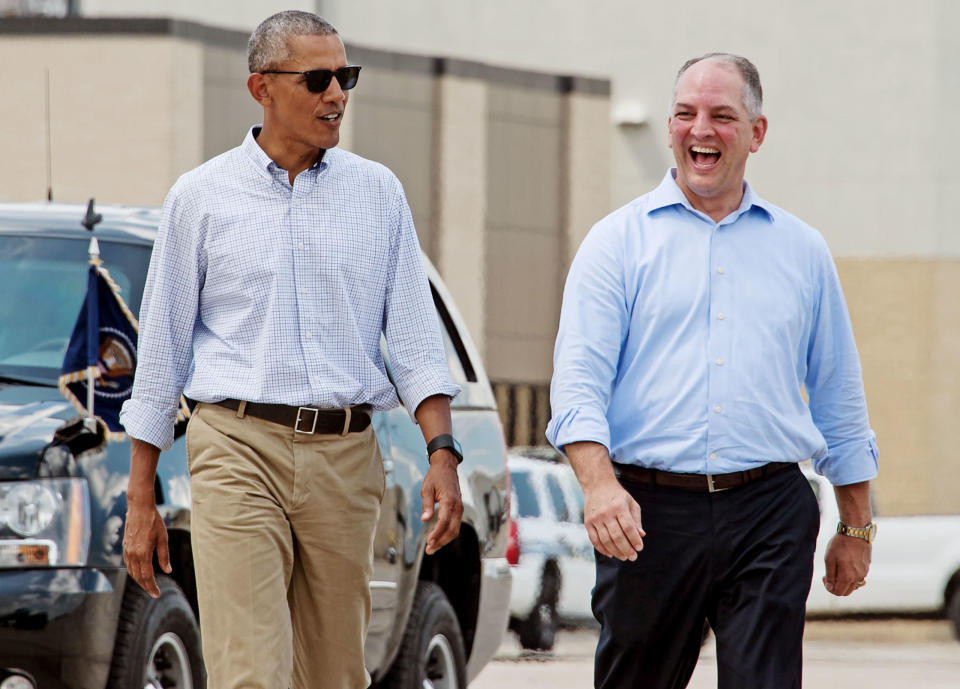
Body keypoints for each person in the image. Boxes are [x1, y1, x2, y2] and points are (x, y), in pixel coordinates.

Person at [119, 10, 464, 689]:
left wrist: (442, 454)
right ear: (262, 88)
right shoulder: (201, 198)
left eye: (346, 77)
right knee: (250, 670)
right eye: (317, 79)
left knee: (334, 673)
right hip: (236, 445)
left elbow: (419, 343)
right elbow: (159, 355)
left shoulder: (378, 195)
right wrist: (140, 497)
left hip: (345, 455)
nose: (336, 94)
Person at [546, 53, 878, 689]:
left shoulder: (802, 251)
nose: (701, 129)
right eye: (685, 113)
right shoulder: (616, 244)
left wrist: (855, 524)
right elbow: (578, 383)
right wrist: (599, 486)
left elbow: (838, 394)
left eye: (722, 116)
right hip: (646, 512)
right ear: (670, 126)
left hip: (769, 510)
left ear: (755, 133)